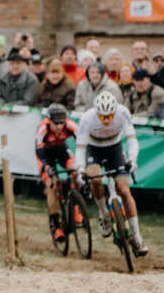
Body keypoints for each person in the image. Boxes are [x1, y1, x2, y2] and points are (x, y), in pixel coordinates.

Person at [75, 91, 147, 256]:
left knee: (124, 190)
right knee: (95, 180)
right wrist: (80, 168)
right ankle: (103, 214)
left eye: (109, 116)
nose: (106, 120)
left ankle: (137, 237)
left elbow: (131, 139)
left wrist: (132, 159)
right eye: (102, 117)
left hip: (115, 148)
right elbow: (80, 147)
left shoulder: (122, 113)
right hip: (94, 149)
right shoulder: (87, 118)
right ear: (96, 113)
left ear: (115, 111)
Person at [34, 103, 79, 241]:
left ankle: (76, 206)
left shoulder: (70, 125)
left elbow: (83, 142)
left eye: (61, 123)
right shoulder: (43, 128)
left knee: (75, 172)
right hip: (45, 155)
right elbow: (39, 152)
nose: (59, 126)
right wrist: (47, 167)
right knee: (52, 186)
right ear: (49, 120)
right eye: (56, 123)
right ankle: (56, 226)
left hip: (61, 151)